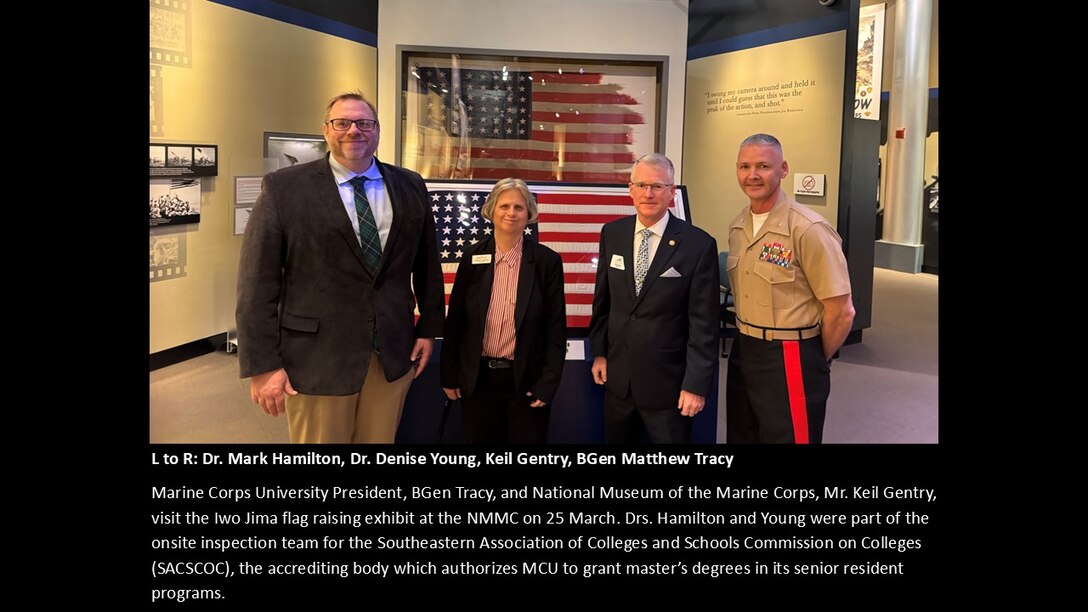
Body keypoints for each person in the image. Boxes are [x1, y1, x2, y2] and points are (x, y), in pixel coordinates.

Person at [236, 91, 444, 443]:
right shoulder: (285, 188)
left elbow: (427, 264)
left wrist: (428, 329)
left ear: (377, 130)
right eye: (343, 122)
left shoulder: (409, 185)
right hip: (318, 359)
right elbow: (257, 282)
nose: (354, 131)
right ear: (326, 130)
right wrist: (263, 366)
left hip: (390, 355)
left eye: (364, 123)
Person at [725, 134, 855, 444]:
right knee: (743, 434)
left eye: (763, 166)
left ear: (783, 169)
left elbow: (842, 311)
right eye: (744, 166)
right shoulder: (739, 225)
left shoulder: (808, 228)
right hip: (744, 347)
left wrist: (814, 356)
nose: (752, 175)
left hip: (790, 353)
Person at [589, 153, 720, 443]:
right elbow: (604, 302)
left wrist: (695, 385)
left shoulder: (698, 245)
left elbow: (704, 324)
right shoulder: (613, 234)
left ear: (672, 192)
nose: (649, 194)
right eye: (642, 185)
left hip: (669, 388)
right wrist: (599, 352)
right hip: (618, 381)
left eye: (658, 186)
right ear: (631, 189)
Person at [441, 178, 566, 443]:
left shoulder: (547, 262)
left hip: (526, 383)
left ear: (529, 214)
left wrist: (547, 386)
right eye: (505, 206)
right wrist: (449, 375)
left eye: (519, 207)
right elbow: (456, 322)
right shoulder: (472, 257)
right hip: (477, 382)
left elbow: (555, 329)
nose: (511, 213)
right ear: (491, 211)